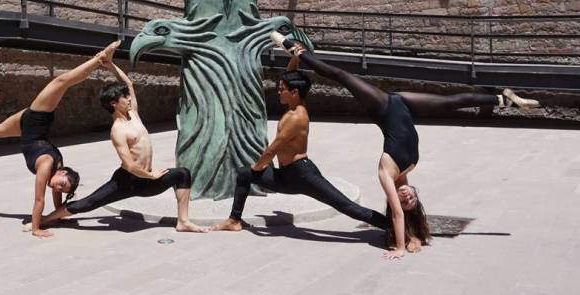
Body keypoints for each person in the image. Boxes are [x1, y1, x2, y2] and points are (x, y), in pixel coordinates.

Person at [270, 32, 539, 258]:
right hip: (404, 105)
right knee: (449, 103)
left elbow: (397, 214)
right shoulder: (408, 168)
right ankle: (503, 99)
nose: (409, 196)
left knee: (341, 76)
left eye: (405, 199)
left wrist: (400, 246)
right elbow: (405, 212)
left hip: (385, 107)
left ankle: (294, 48)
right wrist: (415, 238)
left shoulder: (387, 174)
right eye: (414, 199)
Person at [212, 47, 392, 246]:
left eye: (282, 88)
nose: (279, 90)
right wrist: (295, 57)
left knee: (347, 206)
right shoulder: (294, 106)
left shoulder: (297, 117)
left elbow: (272, 149)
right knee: (243, 174)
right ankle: (234, 220)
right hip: (286, 175)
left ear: (294, 92)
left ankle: (397, 227)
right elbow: (291, 76)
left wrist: (257, 167)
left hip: (303, 175)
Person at [0, 41, 120, 238]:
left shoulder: (54, 171)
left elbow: (55, 196)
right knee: (62, 82)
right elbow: (39, 200)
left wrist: (58, 215)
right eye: (62, 183)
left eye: (61, 188)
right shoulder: (47, 165)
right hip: (37, 120)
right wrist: (36, 229)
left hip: (28, 130)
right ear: (62, 171)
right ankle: (100, 58)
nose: (57, 187)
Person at [39, 57, 210, 233]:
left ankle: (183, 222)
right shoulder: (118, 130)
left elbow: (128, 83)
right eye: (124, 98)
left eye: (128, 97)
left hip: (146, 182)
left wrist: (111, 66)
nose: (129, 99)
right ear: (114, 103)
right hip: (126, 181)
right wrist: (151, 175)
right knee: (88, 203)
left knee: (182, 174)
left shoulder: (133, 114)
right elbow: (129, 165)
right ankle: (43, 220)